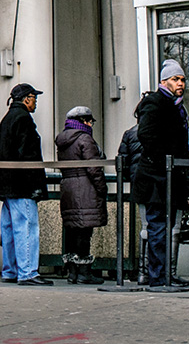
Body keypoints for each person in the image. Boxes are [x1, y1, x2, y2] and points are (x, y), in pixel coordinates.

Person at [134, 60, 189, 291]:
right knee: (158, 227)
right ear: (163, 81)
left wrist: (187, 181)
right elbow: (147, 136)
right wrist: (165, 163)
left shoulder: (177, 107)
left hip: (171, 176)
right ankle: (158, 276)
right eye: (175, 79)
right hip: (157, 177)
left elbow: (182, 147)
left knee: (167, 228)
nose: (180, 83)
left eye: (182, 79)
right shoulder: (155, 103)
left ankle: (164, 274)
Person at [0, 83, 52, 286]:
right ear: (26, 98)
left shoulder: (6, 120)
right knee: (26, 227)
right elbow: (28, 154)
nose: (35, 102)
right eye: (34, 98)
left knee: (9, 229)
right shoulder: (24, 119)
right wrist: (35, 185)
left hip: (7, 185)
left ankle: (10, 270)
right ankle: (27, 271)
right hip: (22, 185)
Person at [55, 106, 107, 285]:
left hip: (68, 187)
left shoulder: (63, 139)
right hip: (85, 188)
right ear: (84, 121)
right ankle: (84, 272)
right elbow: (94, 168)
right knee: (84, 231)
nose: (91, 124)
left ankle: (72, 272)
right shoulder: (85, 138)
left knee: (71, 229)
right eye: (90, 121)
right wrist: (102, 188)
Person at [117, 120, 149, 285]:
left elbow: (122, 160)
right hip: (157, 182)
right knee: (161, 227)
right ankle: (156, 270)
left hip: (139, 183)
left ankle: (144, 271)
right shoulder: (158, 129)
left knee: (145, 226)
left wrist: (131, 178)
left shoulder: (130, 133)